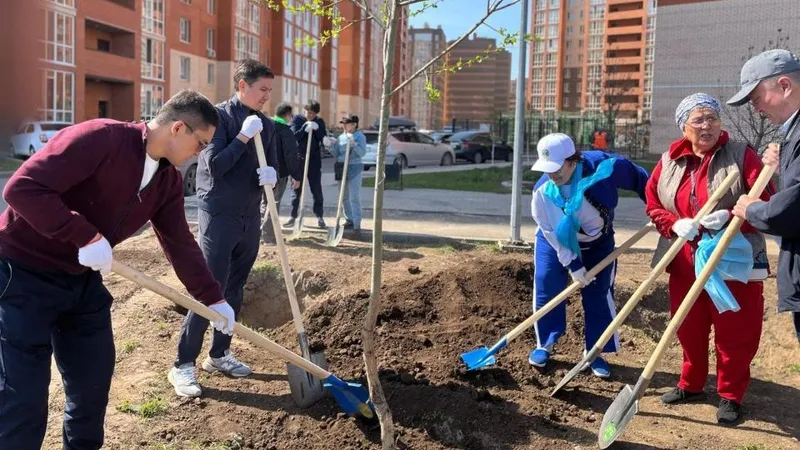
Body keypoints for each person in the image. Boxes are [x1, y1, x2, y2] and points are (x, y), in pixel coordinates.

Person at [0, 90, 237, 450]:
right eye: (200, 144)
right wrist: (82, 234)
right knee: (24, 400)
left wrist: (213, 298)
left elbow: (179, 243)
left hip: (80, 279)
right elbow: (22, 189)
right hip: (23, 274)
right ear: (178, 128)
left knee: (91, 387)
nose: (199, 154)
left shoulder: (166, 181)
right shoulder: (101, 138)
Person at [646, 93, 774, 425]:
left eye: (712, 118)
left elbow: (767, 201)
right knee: (688, 325)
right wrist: (673, 223)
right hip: (685, 258)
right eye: (698, 120)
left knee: (735, 329)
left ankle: (730, 394)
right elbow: (653, 203)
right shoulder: (669, 160)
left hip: (733, 257)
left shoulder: (741, 155)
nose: (707, 126)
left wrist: (732, 216)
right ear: (683, 127)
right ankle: (691, 384)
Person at [171, 59, 278, 398]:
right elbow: (215, 166)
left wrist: (272, 175)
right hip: (219, 214)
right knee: (210, 288)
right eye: (261, 89)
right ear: (242, 85)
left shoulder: (266, 124)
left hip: (249, 214)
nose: (266, 96)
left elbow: (271, 162)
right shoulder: (218, 118)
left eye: (269, 90)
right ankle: (183, 363)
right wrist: (243, 137)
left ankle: (219, 354)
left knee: (235, 286)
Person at [529, 133, 649, 378]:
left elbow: (641, 179)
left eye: (557, 168)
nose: (552, 175)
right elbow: (548, 229)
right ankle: (545, 344)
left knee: (599, 292)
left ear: (572, 160)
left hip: (598, 243)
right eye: (546, 169)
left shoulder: (605, 168)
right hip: (556, 242)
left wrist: (659, 209)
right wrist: (572, 263)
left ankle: (595, 351)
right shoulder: (542, 191)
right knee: (546, 283)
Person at [729, 49, 800, 345]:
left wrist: (753, 209)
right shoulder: (793, 134)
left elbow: (794, 208)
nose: (756, 109)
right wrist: (785, 162)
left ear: (784, 86)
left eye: (757, 98)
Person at [261, 102, 302, 243]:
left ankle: (261, 233)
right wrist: (296, 176)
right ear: (288, 115)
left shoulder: (266, 127)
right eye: (291, 115)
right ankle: (269, 237)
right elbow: (291, 155)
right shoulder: (285, 131)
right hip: (279, 174)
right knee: (273, 204)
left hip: (263, 172)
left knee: (264, 203)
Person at [286, 100, 328, 229]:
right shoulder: (297, 120)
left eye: (313, 114)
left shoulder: (319, 122)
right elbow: (294, 136)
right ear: (304, 110)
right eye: (308, 112)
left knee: (316, 189)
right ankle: (293, 216)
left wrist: (318, 131)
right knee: (296, 188)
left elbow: (323, 138)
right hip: (299, 159)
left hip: (314, 161)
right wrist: (304, 128)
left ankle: (320, 216)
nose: (310, 115)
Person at [330, 115, 367, 233]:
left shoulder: (360, 136)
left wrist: (354, 144)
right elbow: (336, 154)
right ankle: (349, 220)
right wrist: (330, 146)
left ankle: (356, 222)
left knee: (354, 196)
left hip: (354, 167)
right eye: (343, 124)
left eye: (347, 124)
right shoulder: (341, 137)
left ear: (354, 124)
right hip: (341, 167)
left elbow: (362, 153)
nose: (344, 126)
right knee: (344, 196)